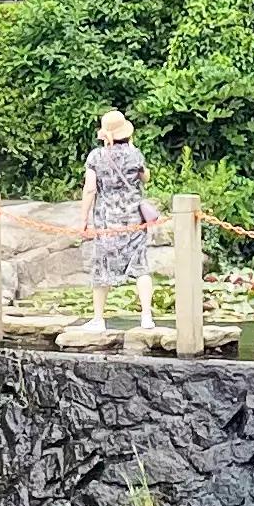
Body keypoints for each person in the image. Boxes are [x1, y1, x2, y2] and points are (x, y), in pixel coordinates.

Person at [80, 109, 159, 337]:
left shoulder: (96, 157)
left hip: (106, 221)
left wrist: (83, 219)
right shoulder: (135, 154)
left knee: (102, 267)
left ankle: (98, 319)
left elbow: (90, 189)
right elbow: (145, 177)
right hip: (133, 219)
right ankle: (146, 317)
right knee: (140, 266)